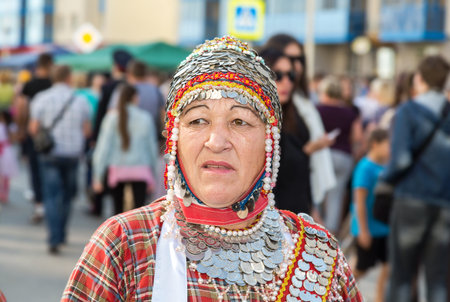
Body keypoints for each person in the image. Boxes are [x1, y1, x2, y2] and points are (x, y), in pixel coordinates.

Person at [62, 36, 362, 301]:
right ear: (174, 139)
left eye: (240, 121)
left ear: (269, 140)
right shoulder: (127, 244)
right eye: (198, 121)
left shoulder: (316, 253)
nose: (216, 142)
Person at [383, 55, 450, 302]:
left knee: (402, 275)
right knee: (438, 278)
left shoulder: (408, 111)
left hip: (411, 200)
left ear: (419, 79)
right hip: (444, 203)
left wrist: (385, 178)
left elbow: (400, 161)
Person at [263, 34, 336, 214]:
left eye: (290, 75)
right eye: (277, 75)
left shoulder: (295, 110)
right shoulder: (257, 123)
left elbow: (298, 171)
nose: (286, 81)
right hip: (273, 222)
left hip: (299, 215)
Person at [29, 65, 91, 254]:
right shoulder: (80, 100)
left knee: (51, 195)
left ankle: (54, 236)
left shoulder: (41, 98)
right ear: (69, 78)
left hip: (49, 154)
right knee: (67, 196)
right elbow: (87, 130)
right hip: (72, 155)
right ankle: (61, 234)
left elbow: (33, 128)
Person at [93, 84, 158, 215]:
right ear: (135, 97)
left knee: (117, 213)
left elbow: (103, 148)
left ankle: (120, 235)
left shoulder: (111, 118)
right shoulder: (145, 117)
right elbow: (152, 147)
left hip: (117, 169)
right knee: (139, 213)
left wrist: (98, 176)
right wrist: (154, 174)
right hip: (141, 169)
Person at [317, 76, 364, 234]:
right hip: (343, 156)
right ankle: (331, 234)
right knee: (336, 197)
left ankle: (315, 229)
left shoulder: (317, 109)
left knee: (318, 193)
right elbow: (357, 137)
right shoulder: (350, 112)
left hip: (322, 156)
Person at [90, 49, 133, 216]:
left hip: (109, 133)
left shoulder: (108, 87)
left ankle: (98, 204)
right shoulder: (130, 87)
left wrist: (95, 137)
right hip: (130, 136)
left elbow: (99, 113)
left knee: (104, 167)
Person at [351, 128, 390, 302]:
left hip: (384, 228)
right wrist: (363, 230)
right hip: (368, 228)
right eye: (388, 144)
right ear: (375, 144)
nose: (391, 148)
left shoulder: (386, 166)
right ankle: (337, 292)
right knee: (361, 268)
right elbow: (359, 202)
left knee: (388, 268)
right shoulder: (365, 167)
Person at [17, 53, 53, 223]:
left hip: (34, 132)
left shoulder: (29, 85)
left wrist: (22, 128)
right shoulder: (53, 84)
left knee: (35, 170)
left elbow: (22, 107)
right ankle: (50, 203)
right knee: (49, 170)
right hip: (52, 135)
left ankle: (39, 205)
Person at [0, 110, 18, 203]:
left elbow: (14, 138)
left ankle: (5, 192)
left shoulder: (10, 126)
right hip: (4, 149)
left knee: (5, 173)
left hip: (6, 150)